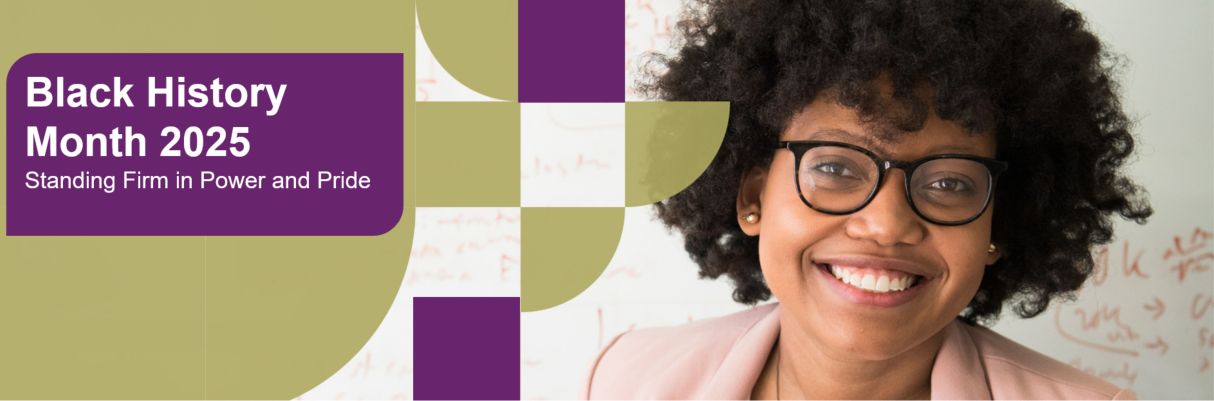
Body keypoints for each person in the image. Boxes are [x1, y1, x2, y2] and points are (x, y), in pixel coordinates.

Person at [582, 0, 1153, 399]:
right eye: (834, 168)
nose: (885, 224)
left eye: (950, 183)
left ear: (997, 224)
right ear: (753, 196)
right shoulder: (625, 380)